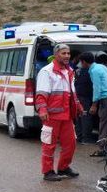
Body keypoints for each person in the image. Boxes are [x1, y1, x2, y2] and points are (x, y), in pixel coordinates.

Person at [34, 43, 84, 181]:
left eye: (68, 53)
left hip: (66, 115)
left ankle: (63, 167)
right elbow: (41, 94)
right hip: (51, 115)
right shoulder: (47, 71)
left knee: (71, 143)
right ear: (56, 55)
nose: (67, 56)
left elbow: (71, 93)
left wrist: (78, 105)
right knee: (49, 145)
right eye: (64, 53)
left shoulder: (69, 71)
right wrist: (42, 109)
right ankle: (48, 171)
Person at [90, 52, 107, 155]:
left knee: (104, 122)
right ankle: (106, 145)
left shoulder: (95, 70)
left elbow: (97, 88)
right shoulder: (103, 67)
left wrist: (94, 104)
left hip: (105, 99)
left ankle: (103, 147)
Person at [74, 52, 96, 142]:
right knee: (85, 117)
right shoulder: (89, 71)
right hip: (85, 98)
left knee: (79, 117)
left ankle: (79, 136)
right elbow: (92, 86)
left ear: (83, 61)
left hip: (78, 96)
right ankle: (86, 138)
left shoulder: (78, 71)